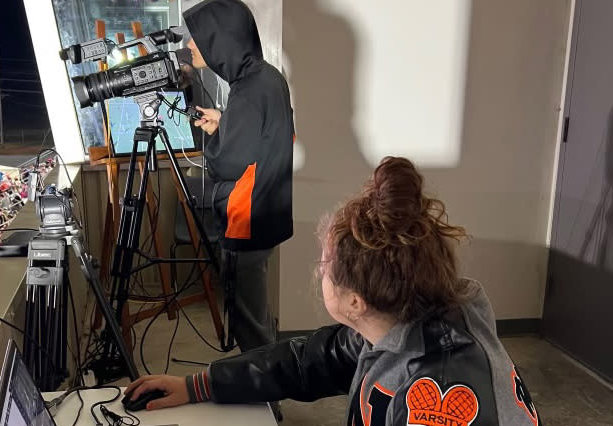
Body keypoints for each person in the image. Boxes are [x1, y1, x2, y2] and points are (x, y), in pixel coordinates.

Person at [124, 157, 541, 426]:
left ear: (356, 300)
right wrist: (198, 385)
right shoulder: (406, 316)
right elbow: (308, 362)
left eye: (325, 265)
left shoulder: (436, 403)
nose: (319, 270)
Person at [183, 0, 294, 351]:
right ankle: (265, 391)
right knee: (257, 314)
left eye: (197, 38)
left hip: (247, 214)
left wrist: (215, 136)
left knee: (250, 325)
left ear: (221, 40)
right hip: (267, 210)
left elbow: (228, 164)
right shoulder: (266, 78)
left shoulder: (248, 91)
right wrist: (225, 121)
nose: (189, 45)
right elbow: (262, 139)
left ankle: (263, 399)